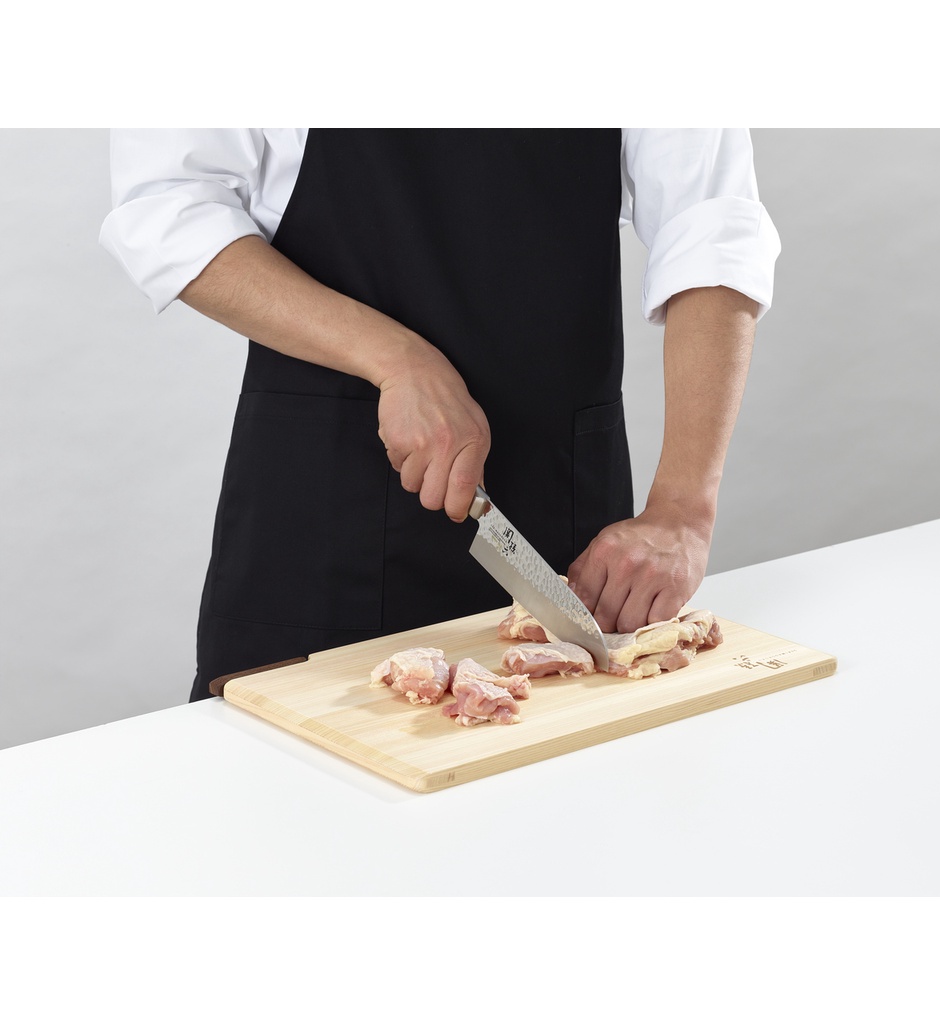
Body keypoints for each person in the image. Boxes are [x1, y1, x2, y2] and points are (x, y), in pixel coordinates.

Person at [99, 129, 780, 702]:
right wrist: (395, 359)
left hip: (564, 531)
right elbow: (170, 207)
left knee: (565, 805)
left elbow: (710, 224)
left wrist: (683, 509)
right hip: (323, 524)